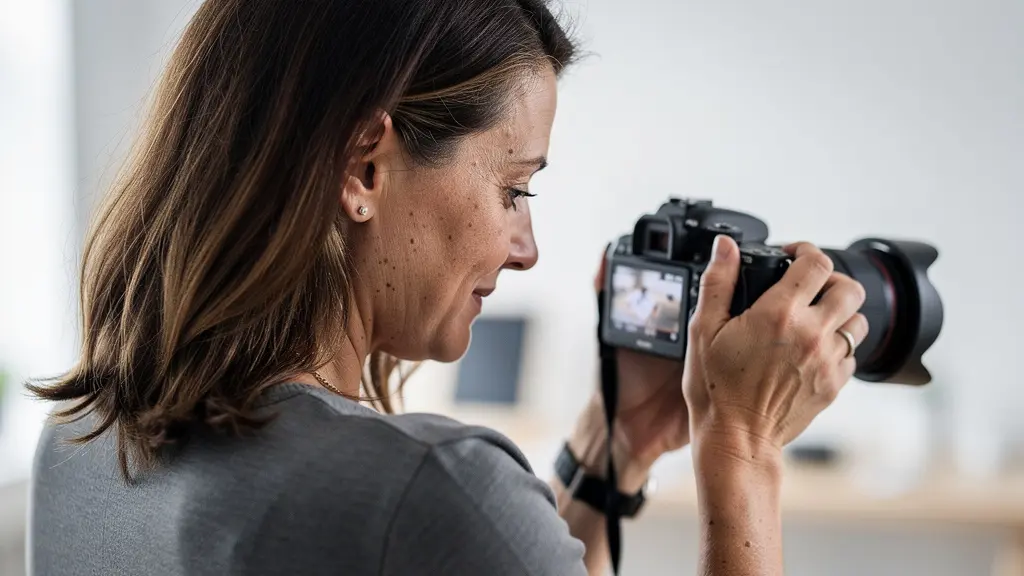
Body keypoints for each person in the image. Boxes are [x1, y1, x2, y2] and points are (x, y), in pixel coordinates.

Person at [26, 1, 868, 575]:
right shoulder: (430, 489)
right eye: (515, 189)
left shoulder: (82, 447)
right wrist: (744, 453)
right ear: (365, 167)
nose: (527, 248)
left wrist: (615, 450)